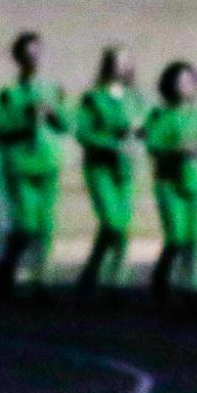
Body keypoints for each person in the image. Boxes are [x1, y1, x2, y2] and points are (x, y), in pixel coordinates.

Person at [0, 32, 68, 296]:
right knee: (26, 223)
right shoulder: (9, 93)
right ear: (18, 58)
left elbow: (67, 124)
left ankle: (40, 277)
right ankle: (7, 263)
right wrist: (25, 117)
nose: (34, 57)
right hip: (21, 164)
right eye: (28, 53)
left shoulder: (52, 88)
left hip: (47, 162)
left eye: (38, 52)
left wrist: (54, 112)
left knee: (45, 224)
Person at [74, 46, 142, 300]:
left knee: (120, 227)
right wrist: (113, 143)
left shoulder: (134, 97)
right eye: (118, 61)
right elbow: (82, 132)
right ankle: (97, 274)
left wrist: (140, 134)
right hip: (100, 168)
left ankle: (111, 281)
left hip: (125, 169)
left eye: (127, 61)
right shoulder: (94, 97)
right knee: (113, 222)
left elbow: (144, 126)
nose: (122, 66)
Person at [145, 61, 197, 304]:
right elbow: (153, 143)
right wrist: (179, 149)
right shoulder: (162, 115)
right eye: (180, 81)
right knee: (176, 236)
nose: (186, 86)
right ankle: (161, 282)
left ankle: (191, 289)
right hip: (170, 183)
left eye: (190, 80)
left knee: (194, 238)